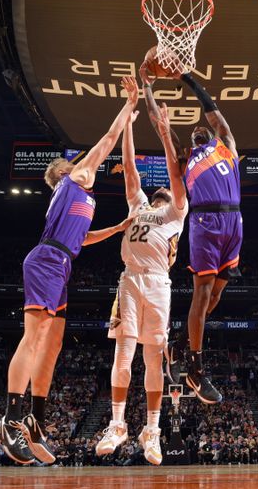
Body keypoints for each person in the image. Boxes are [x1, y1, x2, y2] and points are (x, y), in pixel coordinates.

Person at [0, 77, 139, 465]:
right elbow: (109, 139)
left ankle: (34, 420)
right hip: (45, 262)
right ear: (66, 171)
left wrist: (118, 229)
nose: (82, 163)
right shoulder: (76, 179)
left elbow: (81, 239)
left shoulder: (75, 199)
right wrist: (130, 105)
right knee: (35, 336)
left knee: (53, 343)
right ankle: (8, 420)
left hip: (60, 262)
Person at [140, 52, 242, 405]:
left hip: (234, 222)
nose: (201, 127)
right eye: (198, 129)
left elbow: (213, 109)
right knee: (201, 296)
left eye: (204, 126)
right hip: (205, 222)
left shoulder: (226, 144)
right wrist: (148, 87)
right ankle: (196, 371)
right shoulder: (183, 160)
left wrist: (187, 78)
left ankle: (182, 346)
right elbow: (158, 124)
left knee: (215, 298)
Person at [95, 81, 188, 466]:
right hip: (130, 280)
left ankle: (152, 430)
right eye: (160, 188)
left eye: (166, 186)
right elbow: (130, 166)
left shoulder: (175, 212)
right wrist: (130, 118)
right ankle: (118, 424)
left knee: (152, 361)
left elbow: (176, 174)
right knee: (123, 355)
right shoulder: (138, 203)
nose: (161, 187)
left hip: (158, 284)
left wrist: (165, 133)